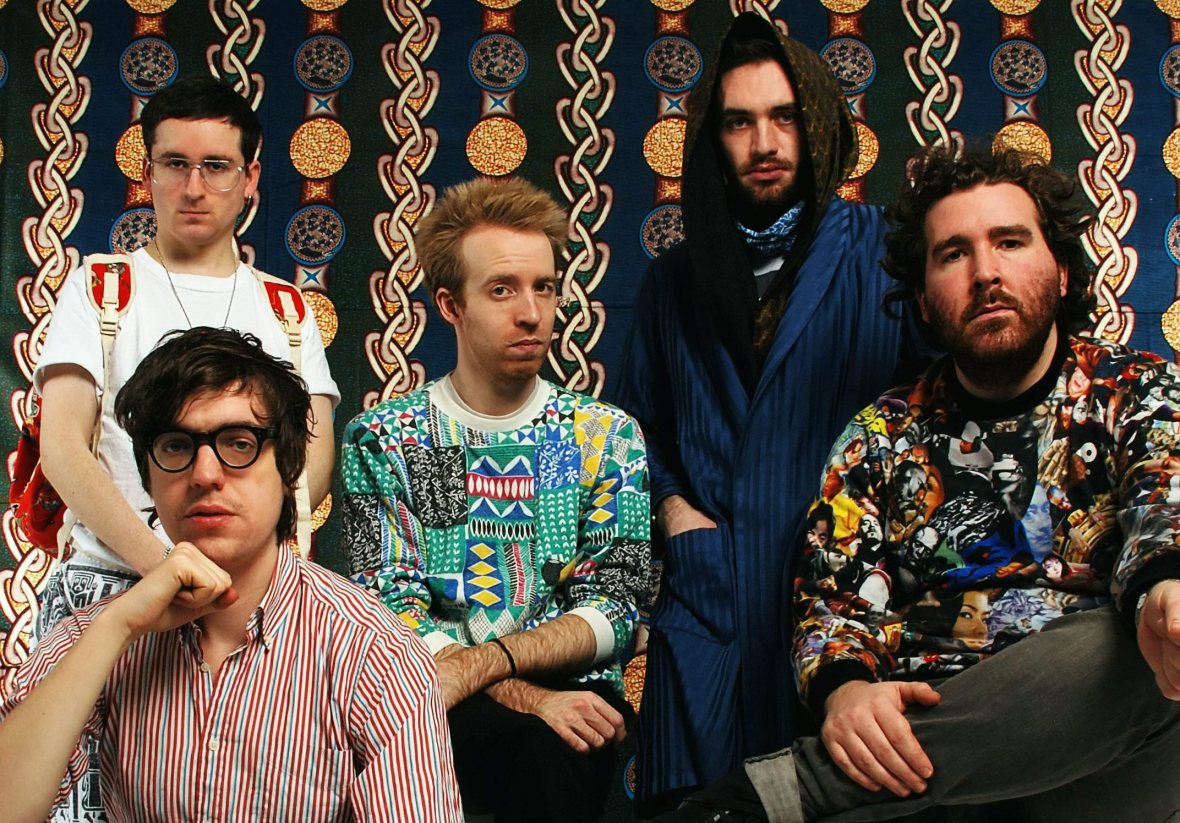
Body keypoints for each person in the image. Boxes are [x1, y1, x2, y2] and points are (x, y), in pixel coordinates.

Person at [660, 146, 1180, 822]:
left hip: (1109, 765)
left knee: (1130, 647)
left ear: (1060, 270)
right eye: (953, 254)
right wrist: (846, 690)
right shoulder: (882, 433)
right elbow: (832, 600)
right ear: (926, 303)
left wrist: (1165, 587)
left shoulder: (1138, 391)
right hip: (924, 749)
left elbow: (1164, 503)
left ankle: (782, 796)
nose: (986, 273)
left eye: (1010, 242)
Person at [614, 12, 927, 811]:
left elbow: (938, 412)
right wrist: (675, 511)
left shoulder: (891, 256)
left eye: (784, 116)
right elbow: (630, 435)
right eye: (739, 122)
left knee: (842, 798)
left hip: (849, 606)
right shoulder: (673, 282)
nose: (764, 143)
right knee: (700, 811)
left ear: (816, 123)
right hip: (710, 605)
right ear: (712, 140)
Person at [31, 76, 338, 822]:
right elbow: (62, 449)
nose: (193, 187)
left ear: (250, 178)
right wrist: (163, 567)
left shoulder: (285, 307)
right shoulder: (101, 287)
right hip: (111, 585)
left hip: (245, 601)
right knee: (71, 801)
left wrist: (248, 572)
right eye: (174, 164)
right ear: (148, 171)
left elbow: (313, 455)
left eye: (216, 166)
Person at [0, 328, 462, 823]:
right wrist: (117, 627)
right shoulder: (103, 631)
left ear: (289, 470)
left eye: (239, 443)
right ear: (149, 479)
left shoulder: (374, 650)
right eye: (176, 446)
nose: (204, 474)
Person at [340, 176, 651, 822]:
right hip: (432, 685)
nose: (532, 313)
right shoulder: (389, 439)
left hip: (573, 692)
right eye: (503, 289)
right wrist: (523, 695)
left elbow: (615, 608)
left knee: (550, 748)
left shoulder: (601, 437)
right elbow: (390, 607)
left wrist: (503, 672)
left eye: (545, 287)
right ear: (450, 305)